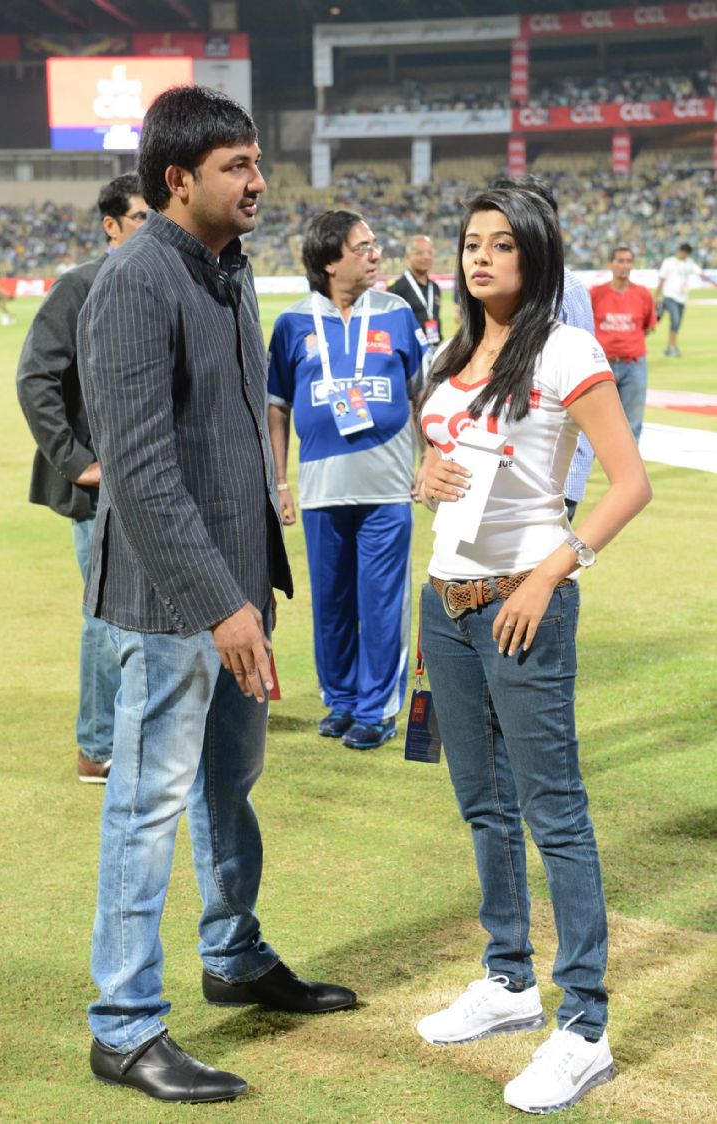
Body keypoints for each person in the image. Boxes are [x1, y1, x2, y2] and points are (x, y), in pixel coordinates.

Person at [77, 87, 355, 1106]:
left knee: (226, 784)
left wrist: (254, 589)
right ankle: (123, 1024)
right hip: (170, 603)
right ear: (177, 179)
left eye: (255, 161)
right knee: (147, 805)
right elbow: (142, 470)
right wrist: (220, 603)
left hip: (237, 588)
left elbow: (231, 440)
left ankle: (233, 955)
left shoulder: (227, 271)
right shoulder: (135, 279)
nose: (258, 181)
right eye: (236, 165)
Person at [415, 187, 651, 1114]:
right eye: (472, 242)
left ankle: (584, 1024)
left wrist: (550, 575)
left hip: (524, 602)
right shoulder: (452, 353)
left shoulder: (565, 350)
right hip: (445, 601)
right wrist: (424, 476)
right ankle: (508, 980)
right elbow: (447, 461)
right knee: (482, 803)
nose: (480, 257)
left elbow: (627, 484)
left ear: (537, 254)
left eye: (502, 244)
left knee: (554, 809)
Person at [267, 210, 428, 750]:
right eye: (362, 247)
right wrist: (280, 483)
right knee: (331, 605)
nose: (376, 254)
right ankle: (340, 700)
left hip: (387, 488)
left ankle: (377, 709)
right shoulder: (293, 324)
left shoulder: (397, 313)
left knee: (381, 604)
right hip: (321, 489)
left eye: (375, 243)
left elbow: (423, 394)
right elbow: (276, 407)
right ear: (330, 261)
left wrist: (429, 458)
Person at [16, 173, 148, 783]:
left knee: (148, 615)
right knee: (106, 614)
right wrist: (75, 461)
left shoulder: (158, 283)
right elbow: (35, 378)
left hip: (153, 480)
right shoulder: (79, 286)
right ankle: (97, 747)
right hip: (101, 491)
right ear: (111, 226)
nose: (152, 227)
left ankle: (138, 729)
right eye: (141, 217)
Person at [489, 174, 595, 521]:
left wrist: (571, 480)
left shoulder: (567, 290)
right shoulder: (498, 289)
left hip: (546, 474)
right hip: (496, 460)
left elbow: (586, 392)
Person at [590, 246, 656, 443]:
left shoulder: (643, 294)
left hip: (633, 364)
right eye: (620, 261)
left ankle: (629, 465)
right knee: (593, 424)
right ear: (610, 264)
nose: (625, 265)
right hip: (601, 365)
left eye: (628, 261)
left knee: (632, 424)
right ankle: (586, 464)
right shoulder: (596, 294)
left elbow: (647, 327)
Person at [655, 241, 717, 356]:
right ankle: (671, 347)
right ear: (680, 251)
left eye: (687, 254)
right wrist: (656, 296)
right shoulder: (668, 262)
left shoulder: (690, 263)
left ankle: (671, 347)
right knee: (675, 320)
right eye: (685, 253)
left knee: (677, 323)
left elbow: (701, 274)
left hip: (682, 298)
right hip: (670, 295)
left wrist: (714, 283)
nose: (685, 255)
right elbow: (662, 280)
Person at [388, 234, 442, 348]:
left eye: (430, 253)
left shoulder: (435, 288)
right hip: (412, 351)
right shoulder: (397, 288)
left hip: (435, 348)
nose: (426, 257)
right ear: (408, 256)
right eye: (420, 253)